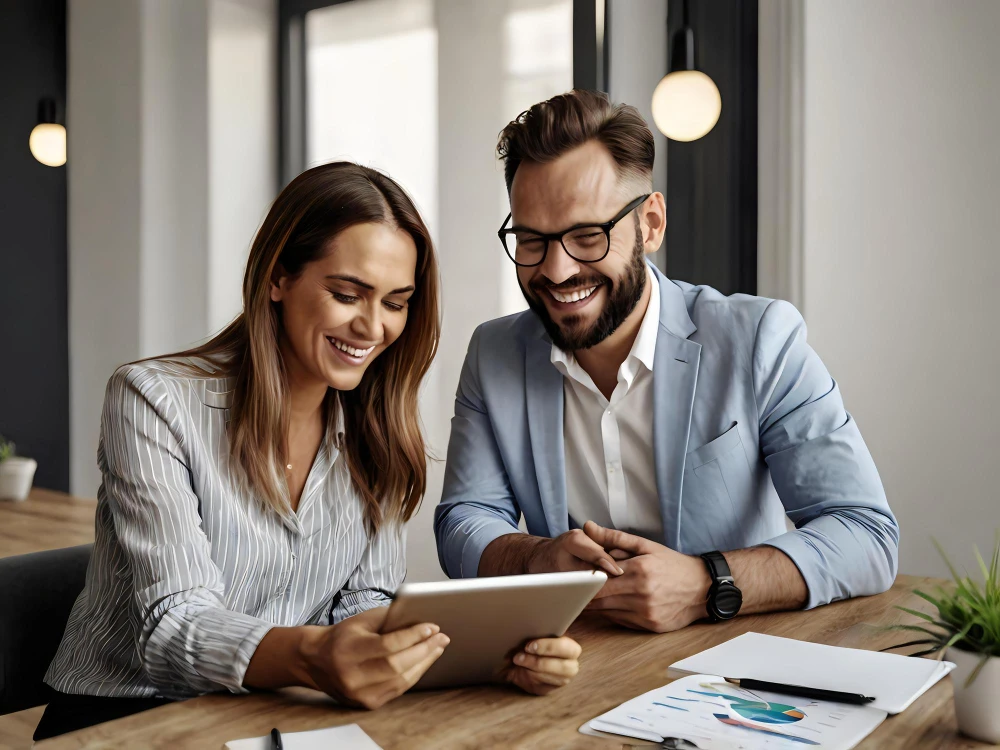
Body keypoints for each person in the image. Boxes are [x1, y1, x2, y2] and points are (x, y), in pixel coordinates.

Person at [39, 162, 580, 741]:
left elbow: (364, 602)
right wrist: (315, 655)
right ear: (278, 277)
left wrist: (482, 654)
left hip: (278, 710)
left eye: (396, 303)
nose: (372, 327)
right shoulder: (154, 401)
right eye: (347, 294)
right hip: (125, 719)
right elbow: (173, 629)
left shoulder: (375, 427)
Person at [434, 90, 899, 633]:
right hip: (577, 666)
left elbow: (866, 532)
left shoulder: (760, 339)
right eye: (532, 240)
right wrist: (535, 560)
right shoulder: (494, 356)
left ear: (650, 224)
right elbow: (463, 521)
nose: (556, 271)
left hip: (735, 663)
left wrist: (709, 584)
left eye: (588, 235)